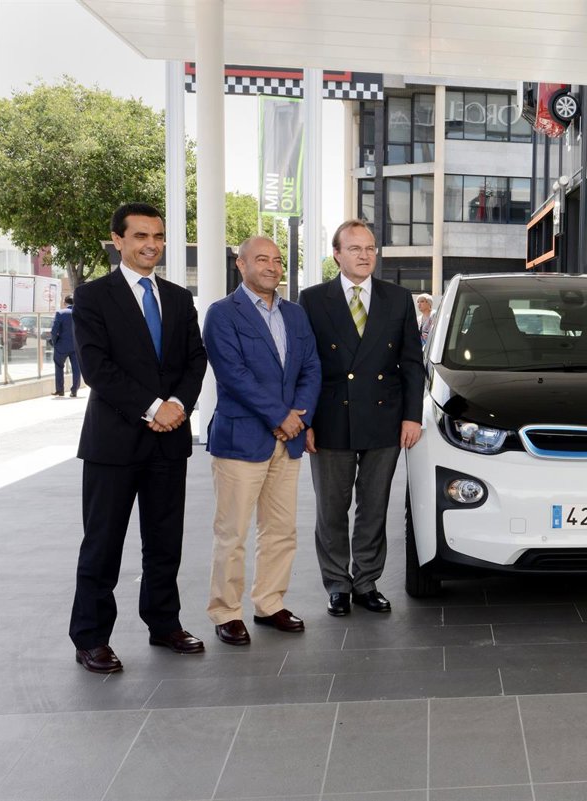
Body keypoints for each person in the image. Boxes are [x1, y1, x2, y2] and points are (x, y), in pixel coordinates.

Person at [69, 203, 208, 673]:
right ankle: (91, 638)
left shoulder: (178, 297)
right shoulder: (93, 297)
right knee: (103, 544)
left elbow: (196, 359)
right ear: (118, 240)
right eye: (142, 236)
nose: (152, 244)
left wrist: (178, 406)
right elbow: (97, 368)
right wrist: (154, 407)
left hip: (168, 441)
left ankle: (164, 623)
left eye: (159, 236)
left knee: (165, 542)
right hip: (113, 443)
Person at [300, 220, 425, 617]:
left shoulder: (398, 298)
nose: (365, 255)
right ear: (337, 254)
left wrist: (412, 417)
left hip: (384, 417)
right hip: (330, 418)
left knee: (374, 508)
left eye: (370, 248)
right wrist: (306, 421)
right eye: (354, 248)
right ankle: (338, 584)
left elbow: (412, 363)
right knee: (331, 510)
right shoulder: (312, 299)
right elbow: (305, 366)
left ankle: (366, 582)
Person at [202, 236, 322, 646]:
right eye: (261, 259)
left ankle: (269, 603)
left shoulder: (295, 314)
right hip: (241, 439)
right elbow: (233, 375)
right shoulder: (222, 314)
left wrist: (299, 418)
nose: (272, 266)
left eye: (277, 259)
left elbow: (311, 368)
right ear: (241, 264)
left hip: (287, 441)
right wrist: (280, 417)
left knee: (281, 530)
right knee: (232, 532)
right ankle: (226, 611)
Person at [50, 295, 81, 397]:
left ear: (65, 302)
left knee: (59, 367)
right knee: (76, 368)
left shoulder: (60, 313)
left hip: (61, 346)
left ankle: (60, 390)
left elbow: (54, 331)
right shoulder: (80, 313)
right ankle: (74, 391)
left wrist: (54, 342)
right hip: (76, 346)